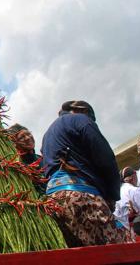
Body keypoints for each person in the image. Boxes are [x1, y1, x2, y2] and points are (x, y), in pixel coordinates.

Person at [41, 100, 125, 247]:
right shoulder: (81, 120)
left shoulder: (47, 135)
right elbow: (106, 159)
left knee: (83, 253)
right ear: (84, 111)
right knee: (123, 247)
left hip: (54, 200)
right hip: (80, 195)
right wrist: (112, 195)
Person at [7, 123, 45, 194]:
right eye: (21, 137)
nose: (27, 138)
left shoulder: (42, 159)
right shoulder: (16, 165)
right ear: (14, 143)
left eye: (28, 134)